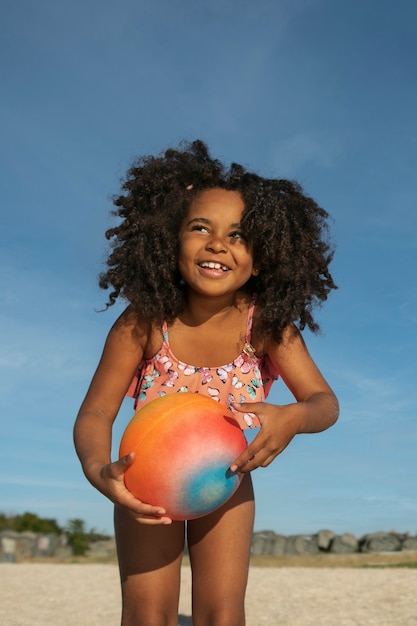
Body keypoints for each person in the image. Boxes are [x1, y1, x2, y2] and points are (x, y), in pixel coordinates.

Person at [74, 139, 339, 626]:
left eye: (239, 236)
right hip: (145, 485)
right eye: (201, 228)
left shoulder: (266, 327)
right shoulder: (145, 322)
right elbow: (96, 412)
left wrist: (294, 418)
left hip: (227, 485)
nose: (218, 244)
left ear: (261, 259)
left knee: (221, 611)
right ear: (170, 241)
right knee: (146, 612)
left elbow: (324, 402)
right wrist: (98, 469)